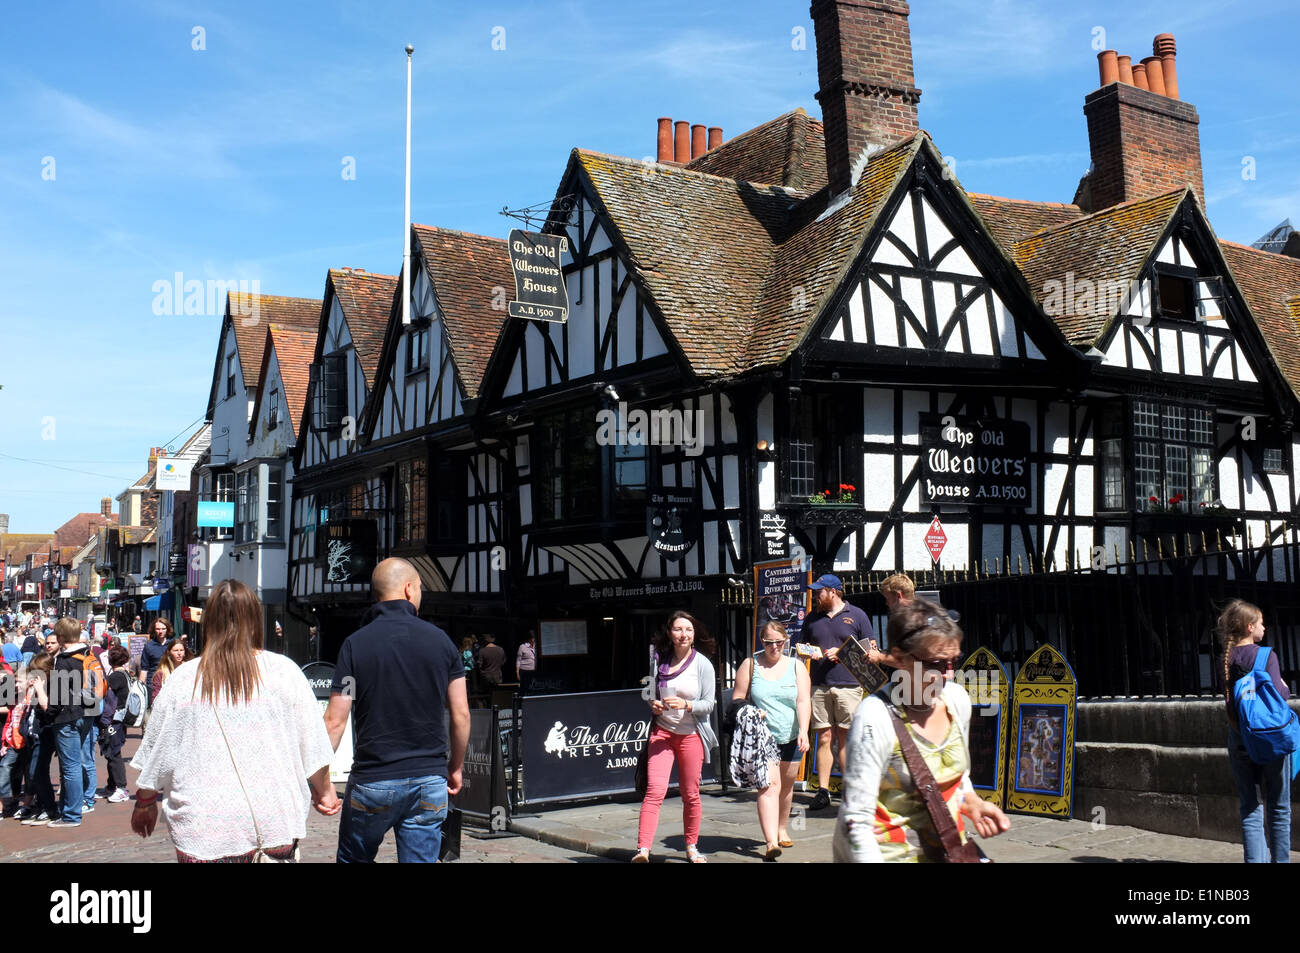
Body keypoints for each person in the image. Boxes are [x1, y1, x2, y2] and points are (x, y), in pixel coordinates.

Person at [129, 579, 340, 862]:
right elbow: (312, 745)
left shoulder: (184, 679)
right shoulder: (284, 672)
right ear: (255, 618)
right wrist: (325, 792)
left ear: (209, 622)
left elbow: (159, 750)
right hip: (272, 818)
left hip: (204, 825)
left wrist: (144, 802)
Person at [833, 599, 1010, 862]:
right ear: (900, 658)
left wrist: (971, 802)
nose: (949, 675)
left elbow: (956, 776)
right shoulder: (874, 717)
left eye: (954, 662)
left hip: (949, 851)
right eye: (937, 664)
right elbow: (856, 822)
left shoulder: (957, 701)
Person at [323, 557, 469, 863]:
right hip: (429, 778)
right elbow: (461, 714)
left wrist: (322, 780)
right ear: (408, 588)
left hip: (374, 779)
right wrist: (455, 767)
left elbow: (335, 720)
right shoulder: (441, 642)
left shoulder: (354, 645)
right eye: (419, 589)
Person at [633, 610, 717, 863]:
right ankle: (643, 850)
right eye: (678, 629)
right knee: (654, 791)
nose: (684, 634)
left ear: (694, 634)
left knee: (690, 793)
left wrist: (686, 705)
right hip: (662, 733)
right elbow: (648, 691)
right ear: (670, 633)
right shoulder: (658, 659)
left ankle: (691, 847)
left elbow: (709, 704)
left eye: (688, 630)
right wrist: (653, 704)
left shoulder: (703, 664)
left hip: (691, 735)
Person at [797, 574, 878, 811]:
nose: (815, 595)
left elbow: (870, 649)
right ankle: (823, 791)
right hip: (819, 683)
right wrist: (809, 652)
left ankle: (849, 789)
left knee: (845, 737)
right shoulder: (812, 618)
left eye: (819, 591)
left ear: (833, 591)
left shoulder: (857, 615)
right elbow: (801, 648)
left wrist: (842, 651)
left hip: (849, 683)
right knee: (823, 737)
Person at [1218, 599, 1291, 863]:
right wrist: (1283, 684)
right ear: (1250, 627)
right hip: (1269, 738)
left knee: (1250, 806)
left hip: (1239, 735)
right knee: (1279, 807)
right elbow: (1279, 697)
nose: (1264, 626)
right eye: (1261, 622)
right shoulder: (1265, 655)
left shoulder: (1227, 658)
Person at [731, 621, 810, 860]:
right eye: (768, 642)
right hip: (762, 737)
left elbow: (803, 701)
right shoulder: (750, 664)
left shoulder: (797, 667)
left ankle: (782, 827)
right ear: (761, 642)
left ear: (786, 641)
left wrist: (804, 730)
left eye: (778, 642)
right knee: (769, 786)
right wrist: (752, 712)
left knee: (786, 787)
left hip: (791, 735)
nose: (774, 647)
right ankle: (770, 843)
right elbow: (737, 698)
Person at [47, 618, 95, 828]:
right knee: (76, 764)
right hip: (87, 714)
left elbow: (57, 696)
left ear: (62, 637)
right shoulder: (88, 655)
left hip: (67, 717)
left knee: (70, 767)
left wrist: (48, 715)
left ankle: (72, 814)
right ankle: (67, 808)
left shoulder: (64, 660)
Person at [19, 652, 59, 825]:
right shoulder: (37, 685)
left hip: (45, 733)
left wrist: (40, 688)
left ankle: (51, 810)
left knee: (38, 772)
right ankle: (42, 806)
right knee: (35, 772)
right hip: (34, 733)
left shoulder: (50, 686)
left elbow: (47, 706)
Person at [100, 644, 132, 803]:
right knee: (111, 752)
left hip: (114, 720)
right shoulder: (125, 675)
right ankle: (112, 785)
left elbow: (105, 697)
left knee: (113, 753)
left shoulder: (114, 677)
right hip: (120, 719)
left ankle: (121, 788)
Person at [139, 617, 171, 710]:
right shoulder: (149, 646)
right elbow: (144, 668)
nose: (160, 631)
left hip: (170, 682)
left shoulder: (172, 645)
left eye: (163, 629)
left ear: (167, 629)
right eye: (158, 629)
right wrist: (140, 687)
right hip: (153, 685)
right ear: (154, 630)